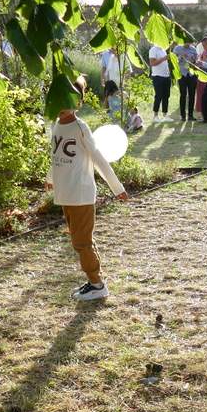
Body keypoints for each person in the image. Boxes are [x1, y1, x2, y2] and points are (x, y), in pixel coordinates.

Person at [47, 76, 130, 303]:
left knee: (82, 242)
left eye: (66, 101)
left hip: (81, 193)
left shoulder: (80, 127)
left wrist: (117, 188)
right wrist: (50, 179)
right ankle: (93, 281)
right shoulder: (57, 126)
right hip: (65, 194)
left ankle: (97, 285)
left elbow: (99, 159)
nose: (60, 107)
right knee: (79, 241)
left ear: (77, 103)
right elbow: (56, 156)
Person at [173, 39, 198, 122]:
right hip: (182, 74)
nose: (187, 44)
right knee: (183, 94)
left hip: (191, 75)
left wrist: (193, 60)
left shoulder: (193, 49)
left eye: (189, 42)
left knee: (192, 95)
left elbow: (196, 61)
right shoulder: (177, 48)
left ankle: (190, 115)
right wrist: (181, 57)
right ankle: (182, 115)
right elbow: (173, 61)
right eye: (186, 42)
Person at [147, 41, 172, 123]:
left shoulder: (163, 49)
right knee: (159, 96)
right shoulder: (153, 49)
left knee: (166, 96)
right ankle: (155, 115)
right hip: (157, 76)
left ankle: (165, 115)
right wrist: (164, 58)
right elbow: (152, 63)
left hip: (166, 76)